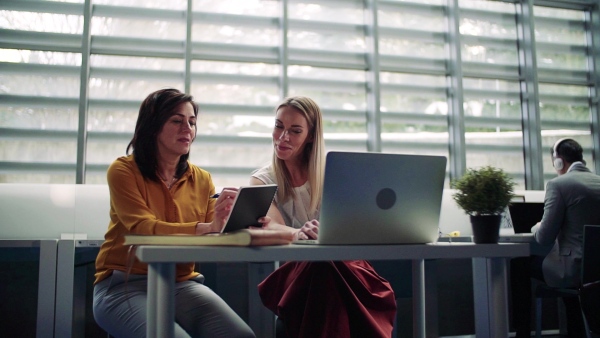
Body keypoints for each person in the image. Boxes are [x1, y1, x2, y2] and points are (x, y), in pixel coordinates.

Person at [93, 88, 255, 338]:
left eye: (192, 122)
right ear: (153, 126)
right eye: (177, 121)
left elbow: (214, 229)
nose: (187, 129)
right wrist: (207, 228)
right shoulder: (123, 170)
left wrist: (239, 219)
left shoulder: (202, 178)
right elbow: (142, 228)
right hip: (123, 286)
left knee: (241, 335)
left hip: (181, 284)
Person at [249, 96, 397, 338]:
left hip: (344, 267)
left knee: (326, 270)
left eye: (295, 131)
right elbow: (271, 225)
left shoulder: (334, 173)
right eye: (279, 126)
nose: (283, 137)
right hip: (299, 274)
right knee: (320, 270)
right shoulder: (262, 180)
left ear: (310, 136)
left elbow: (355, 225)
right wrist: (300, 234)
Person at [510, 138, 600, 338]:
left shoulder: (558, 184)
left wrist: (537, 225)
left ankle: (522, 332)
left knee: (519, 265)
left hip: (574, 270)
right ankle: (576, 330)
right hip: (595, 273)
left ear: (558, 161)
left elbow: (544, 237)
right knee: (565, 265)